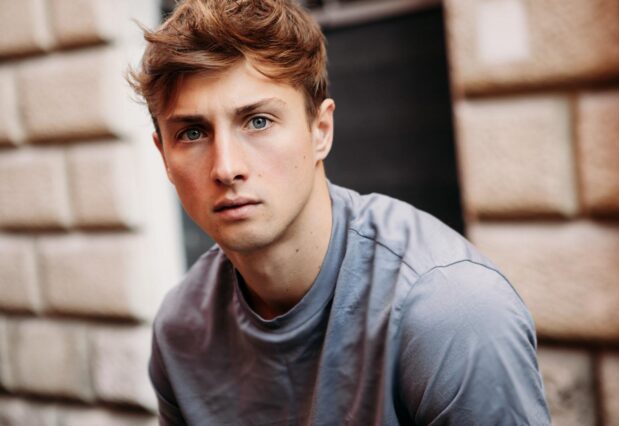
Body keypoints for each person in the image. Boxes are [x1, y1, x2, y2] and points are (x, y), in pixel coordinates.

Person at [129, 0, 550, 424]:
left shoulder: (450, 309)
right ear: (163, 155)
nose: (226, 168)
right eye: (193, 133)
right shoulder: (180, 329)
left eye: (258, 121)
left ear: (321, 131)